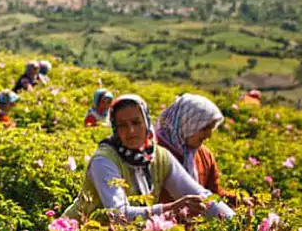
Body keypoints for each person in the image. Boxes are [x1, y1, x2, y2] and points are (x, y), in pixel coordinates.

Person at [62, 94, 235, 223]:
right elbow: (118, 214)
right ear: (115, 128)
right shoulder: (104, 160)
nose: (130, 131)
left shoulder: (159, 156)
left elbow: (198, 194)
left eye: (136, 123)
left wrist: (233, 222)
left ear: (146, 123)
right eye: (122, 125)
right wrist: (172, 208)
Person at [154, 94, 238, 204]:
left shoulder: (205, 155)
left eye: (211, 128)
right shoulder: (155, 153)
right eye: (204, 128)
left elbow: (214, 194)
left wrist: (237, 201)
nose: (209, 135)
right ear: (186, 123)